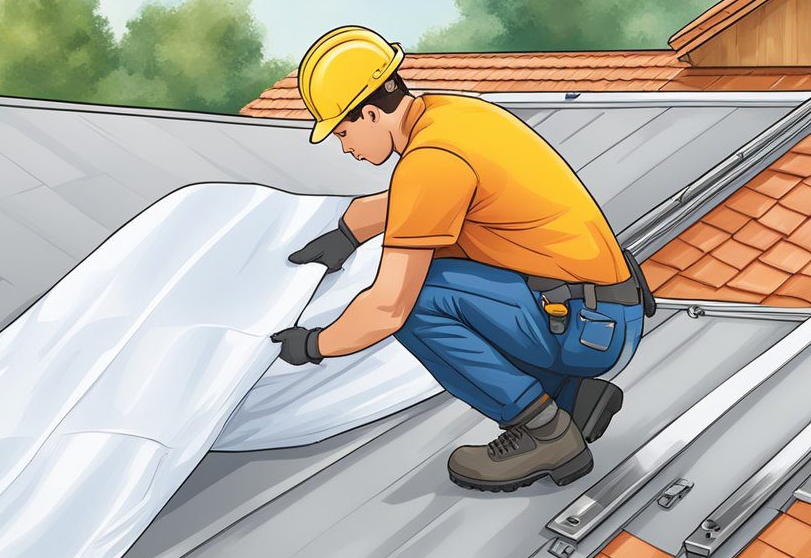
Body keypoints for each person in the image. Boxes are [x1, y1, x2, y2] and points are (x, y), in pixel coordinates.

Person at [270, 25, 654, 492]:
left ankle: (547, 433)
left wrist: (314, 345)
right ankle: (572, 399)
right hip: (604, 310)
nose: (345, 147)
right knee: (440, 273)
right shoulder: (449, 116)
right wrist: (348, 233)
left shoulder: (431, 159)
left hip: (586, 325)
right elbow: (421, 202)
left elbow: (388, 307)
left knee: (418, 303)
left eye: (343, 132)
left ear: (370, 113)